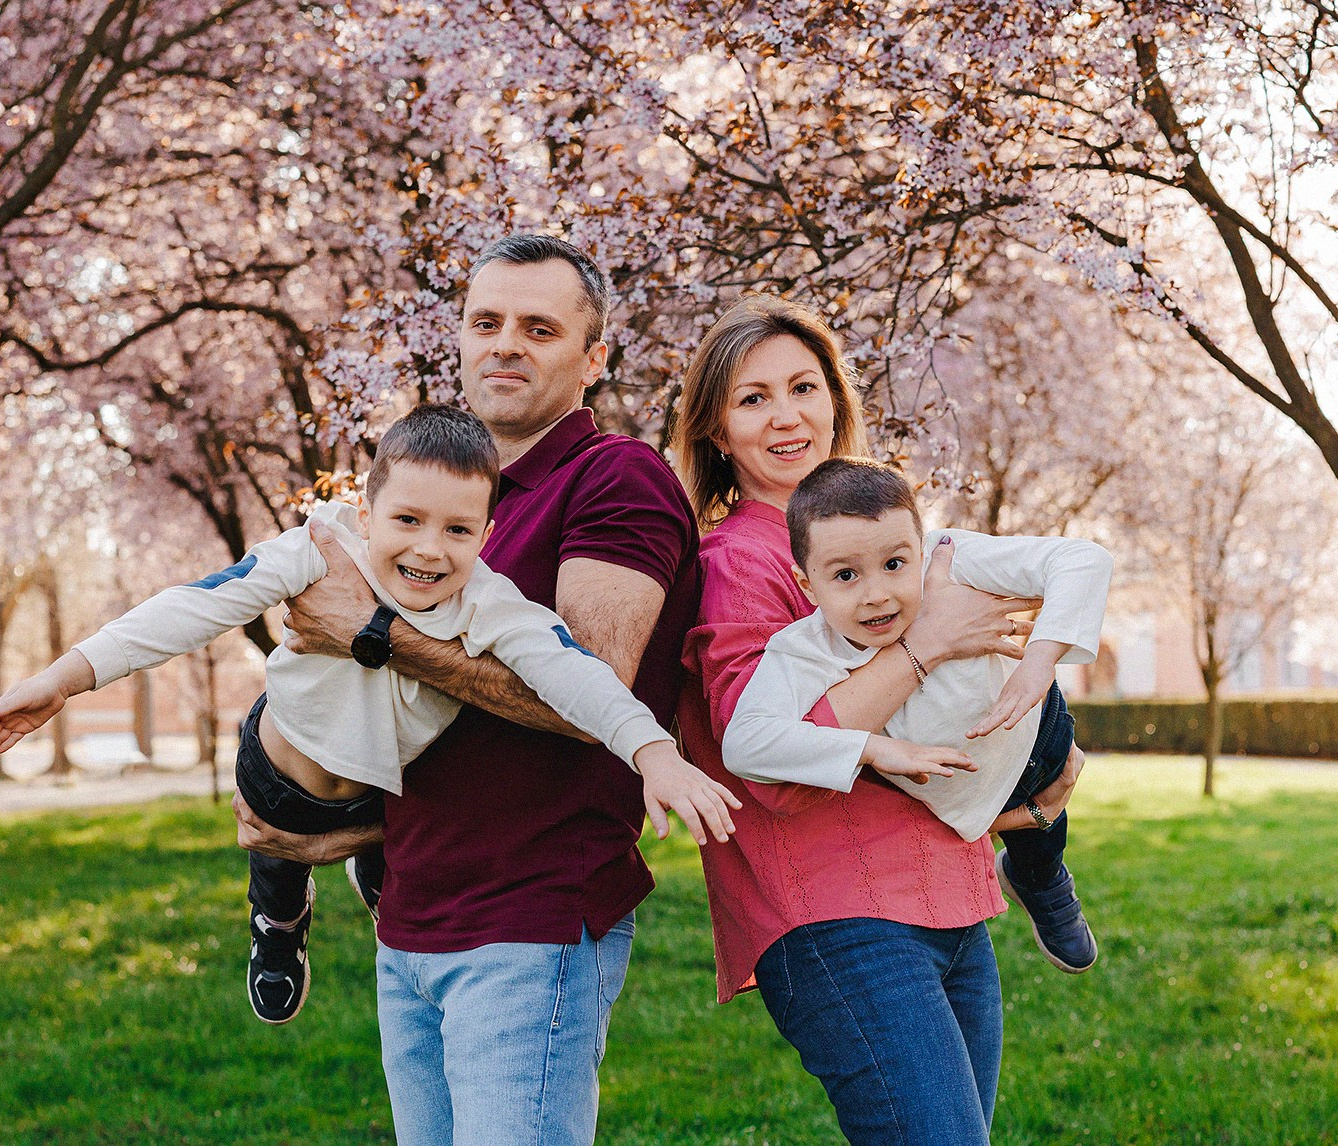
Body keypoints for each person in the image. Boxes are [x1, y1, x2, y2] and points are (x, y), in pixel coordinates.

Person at [0, 405, 735, 1029]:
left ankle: (369, 861)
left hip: (381, 791)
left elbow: (578, 676)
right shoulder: (322, 551)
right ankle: (279, 919)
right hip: (280, 775)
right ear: (365, 513)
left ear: (485, 535)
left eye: (457, 530)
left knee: (397, 831)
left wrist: (652, 753)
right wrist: (62, 680)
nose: (428, 549)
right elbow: (195, 607)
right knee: (278, 858)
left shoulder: (489, 602)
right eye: (407, 520)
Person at [231, 235, 733, 1146]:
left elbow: (590, 690)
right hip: (413, 915)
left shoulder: (613, 476)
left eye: (539, 328)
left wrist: (373, 634)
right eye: (486, 322)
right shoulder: (446, 494)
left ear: (593, 358)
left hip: (529, 917)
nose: (505, 344)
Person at [673, 294, 1086, 1146]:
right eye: (753, 399)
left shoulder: (890, 532)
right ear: (717, 430)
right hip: (839, 916)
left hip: (952, 898)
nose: (786, 416)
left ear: (835, 397)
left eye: (803, 387)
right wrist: (927, 646)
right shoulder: (737, 562)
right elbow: (768, 766)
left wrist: (1037, 770)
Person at [722, 455, 1110, 972]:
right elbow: (744, 742)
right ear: (807, 585)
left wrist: (1039, 662)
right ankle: (1032, 867)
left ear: (920, 549)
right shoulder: (804, 650)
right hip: (970, 797)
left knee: (1043, 847)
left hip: (1040, 733)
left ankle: (1042, 882)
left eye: (894, 564)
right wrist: (872, 748)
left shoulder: (950, 558)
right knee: (1035, 824)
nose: (877, 594)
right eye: (845, 575)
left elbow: (1083, 560)